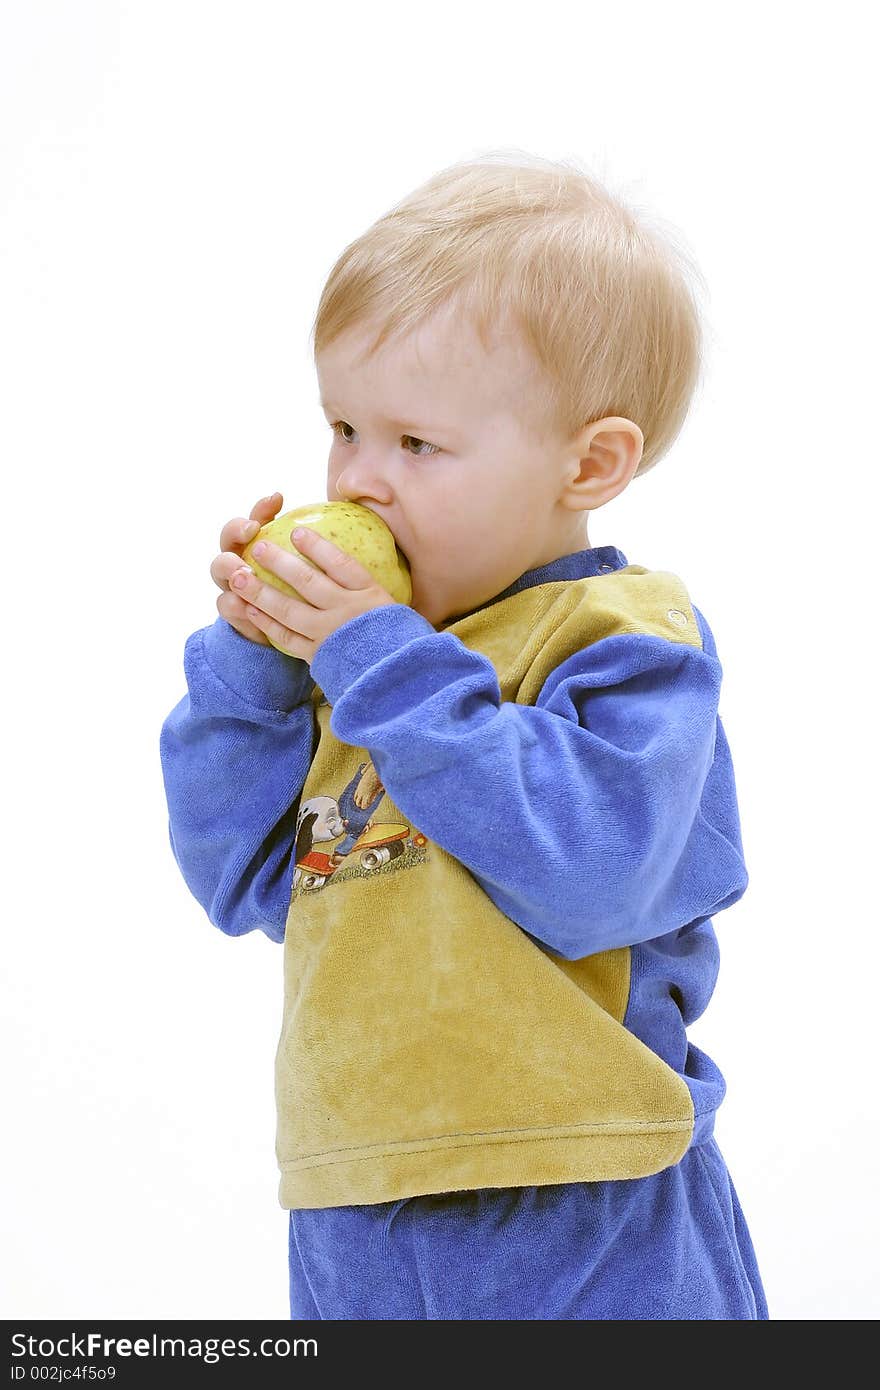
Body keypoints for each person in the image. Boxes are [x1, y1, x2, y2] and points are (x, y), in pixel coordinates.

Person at [159, 151, 769, 1319]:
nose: (358, 480)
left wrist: (375, 658)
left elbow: (593, 873)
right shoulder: (358, 662)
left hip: (583, 1191)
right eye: (343, 427)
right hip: (357, 1196)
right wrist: (251, 666)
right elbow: (239, 879)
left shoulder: (625, 637)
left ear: (586, 463)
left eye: (415, 445)